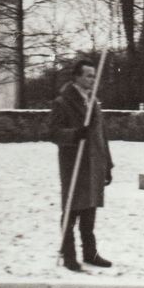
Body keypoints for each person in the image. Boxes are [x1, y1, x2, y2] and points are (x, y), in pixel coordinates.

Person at [50, 59, 114, 272]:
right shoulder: (62, 102)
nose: (92, 79)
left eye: (94, 76)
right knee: (72, 210)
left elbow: (102, 136)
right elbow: (52, 132)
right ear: (76, 77)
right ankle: (69, 255)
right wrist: (75, 134)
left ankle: (90, 253)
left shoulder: (93, 102)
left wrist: (108, 165)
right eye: (88, 75)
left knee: (90, 211)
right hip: (74, 165)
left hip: (94, 164)